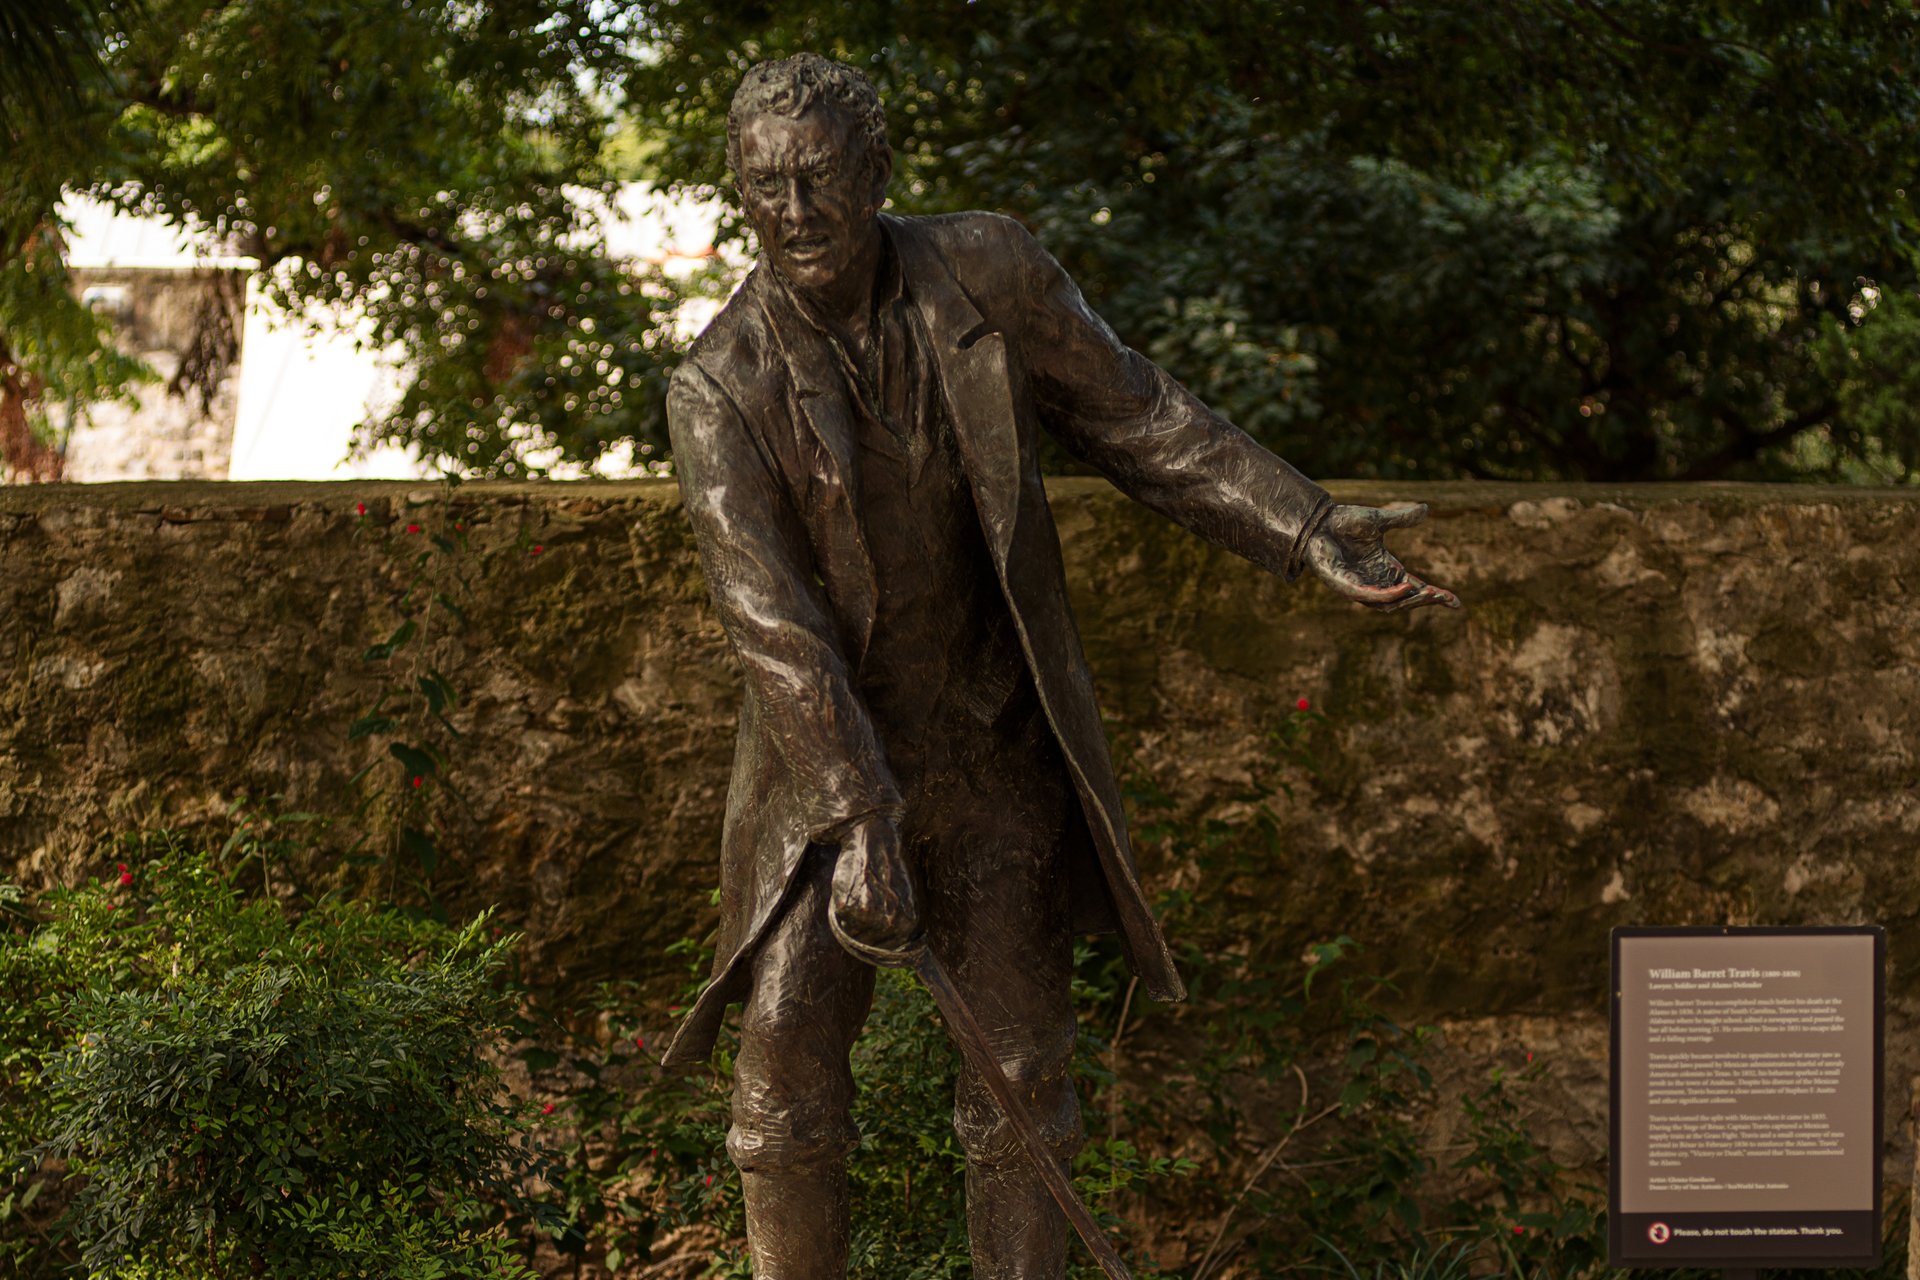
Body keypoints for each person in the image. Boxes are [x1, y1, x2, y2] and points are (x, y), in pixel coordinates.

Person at [660, 52, 1460, 1279]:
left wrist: (1301, 525)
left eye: (819, 176)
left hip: (993, 749)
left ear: (877, 170)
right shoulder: (718, 385)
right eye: (767, 186)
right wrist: (859, 813)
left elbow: (1141, 416)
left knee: (1026, 1077)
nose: (797, 212)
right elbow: (774, 624)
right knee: (783, 1077)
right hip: (825, 778)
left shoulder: (988, 269)